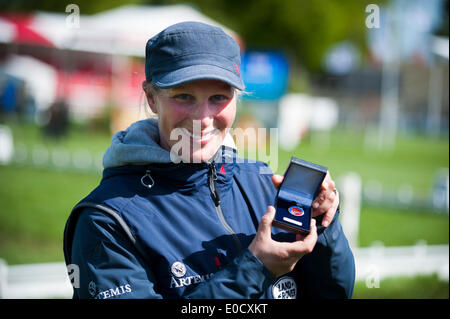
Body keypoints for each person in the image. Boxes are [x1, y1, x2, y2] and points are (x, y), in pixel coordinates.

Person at [63, 21, 355, 299]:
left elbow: (333, 293)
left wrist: (322, 224)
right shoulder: (107, 220)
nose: (202, 119)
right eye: (184, 96)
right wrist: (255, 269)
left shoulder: (264, 186)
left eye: (218, 97)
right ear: (151, 98)